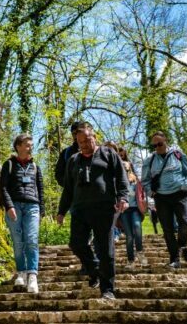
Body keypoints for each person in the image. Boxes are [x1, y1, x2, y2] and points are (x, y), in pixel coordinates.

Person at [57, 123, 130, 299]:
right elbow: (68, 189)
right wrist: (61, 211)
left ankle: (107, 290)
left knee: (105, 249)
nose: (83, 144)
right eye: (80, 142)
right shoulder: (73, 160)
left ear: (94, 137)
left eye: (87, 140)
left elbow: (121, 177)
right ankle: (95, 270)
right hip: (79, 208)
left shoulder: (108, 154)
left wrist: (123, 197)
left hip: (104, 207)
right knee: (76, 244)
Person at [141, 131, 187, 269]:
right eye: (154, 145)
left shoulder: (178, 154)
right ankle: (174, 257)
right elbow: (145, 180)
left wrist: (186, 186)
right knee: (167, 229)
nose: (157, 147)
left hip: (180, 193)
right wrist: (150, 192)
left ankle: (183, 246)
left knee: (185, 221)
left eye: (160, 143)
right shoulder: (149, 160)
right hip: (161, 197)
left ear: (166, 141)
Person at [0, 133, 44, 294]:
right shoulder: (9, 164)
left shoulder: (35, 166)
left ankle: (32, 275)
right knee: (18, 243)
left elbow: (40, 189)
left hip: (33, 207)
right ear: (18, 146)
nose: (30, 147)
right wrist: (9, 206)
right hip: (14, 206)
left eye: (31, 145)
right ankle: (21, 272)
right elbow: (2, 187)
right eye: (27, 144)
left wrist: (42, 212)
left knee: (31, 240)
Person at [54, 120, 96, 276]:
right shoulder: (67, 153)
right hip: (76, 197)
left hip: (96, 196)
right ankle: (88, 264)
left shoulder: (97, 150)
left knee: (94, 232)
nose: (76, 136)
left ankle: (93, 263)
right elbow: (58, 173)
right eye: (73, 133)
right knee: (79, 235)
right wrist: (70, 185)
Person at [117, 147, 147, 266]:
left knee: (137, 227)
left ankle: (139, 251)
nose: (124, 166)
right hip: (124, 211)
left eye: (126, 165)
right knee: (129, 236)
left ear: (130, 165)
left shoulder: (136, 181)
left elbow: (142, 194)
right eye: (122, 165)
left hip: (135, 209)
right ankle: (131, 260)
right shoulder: (118, 182)